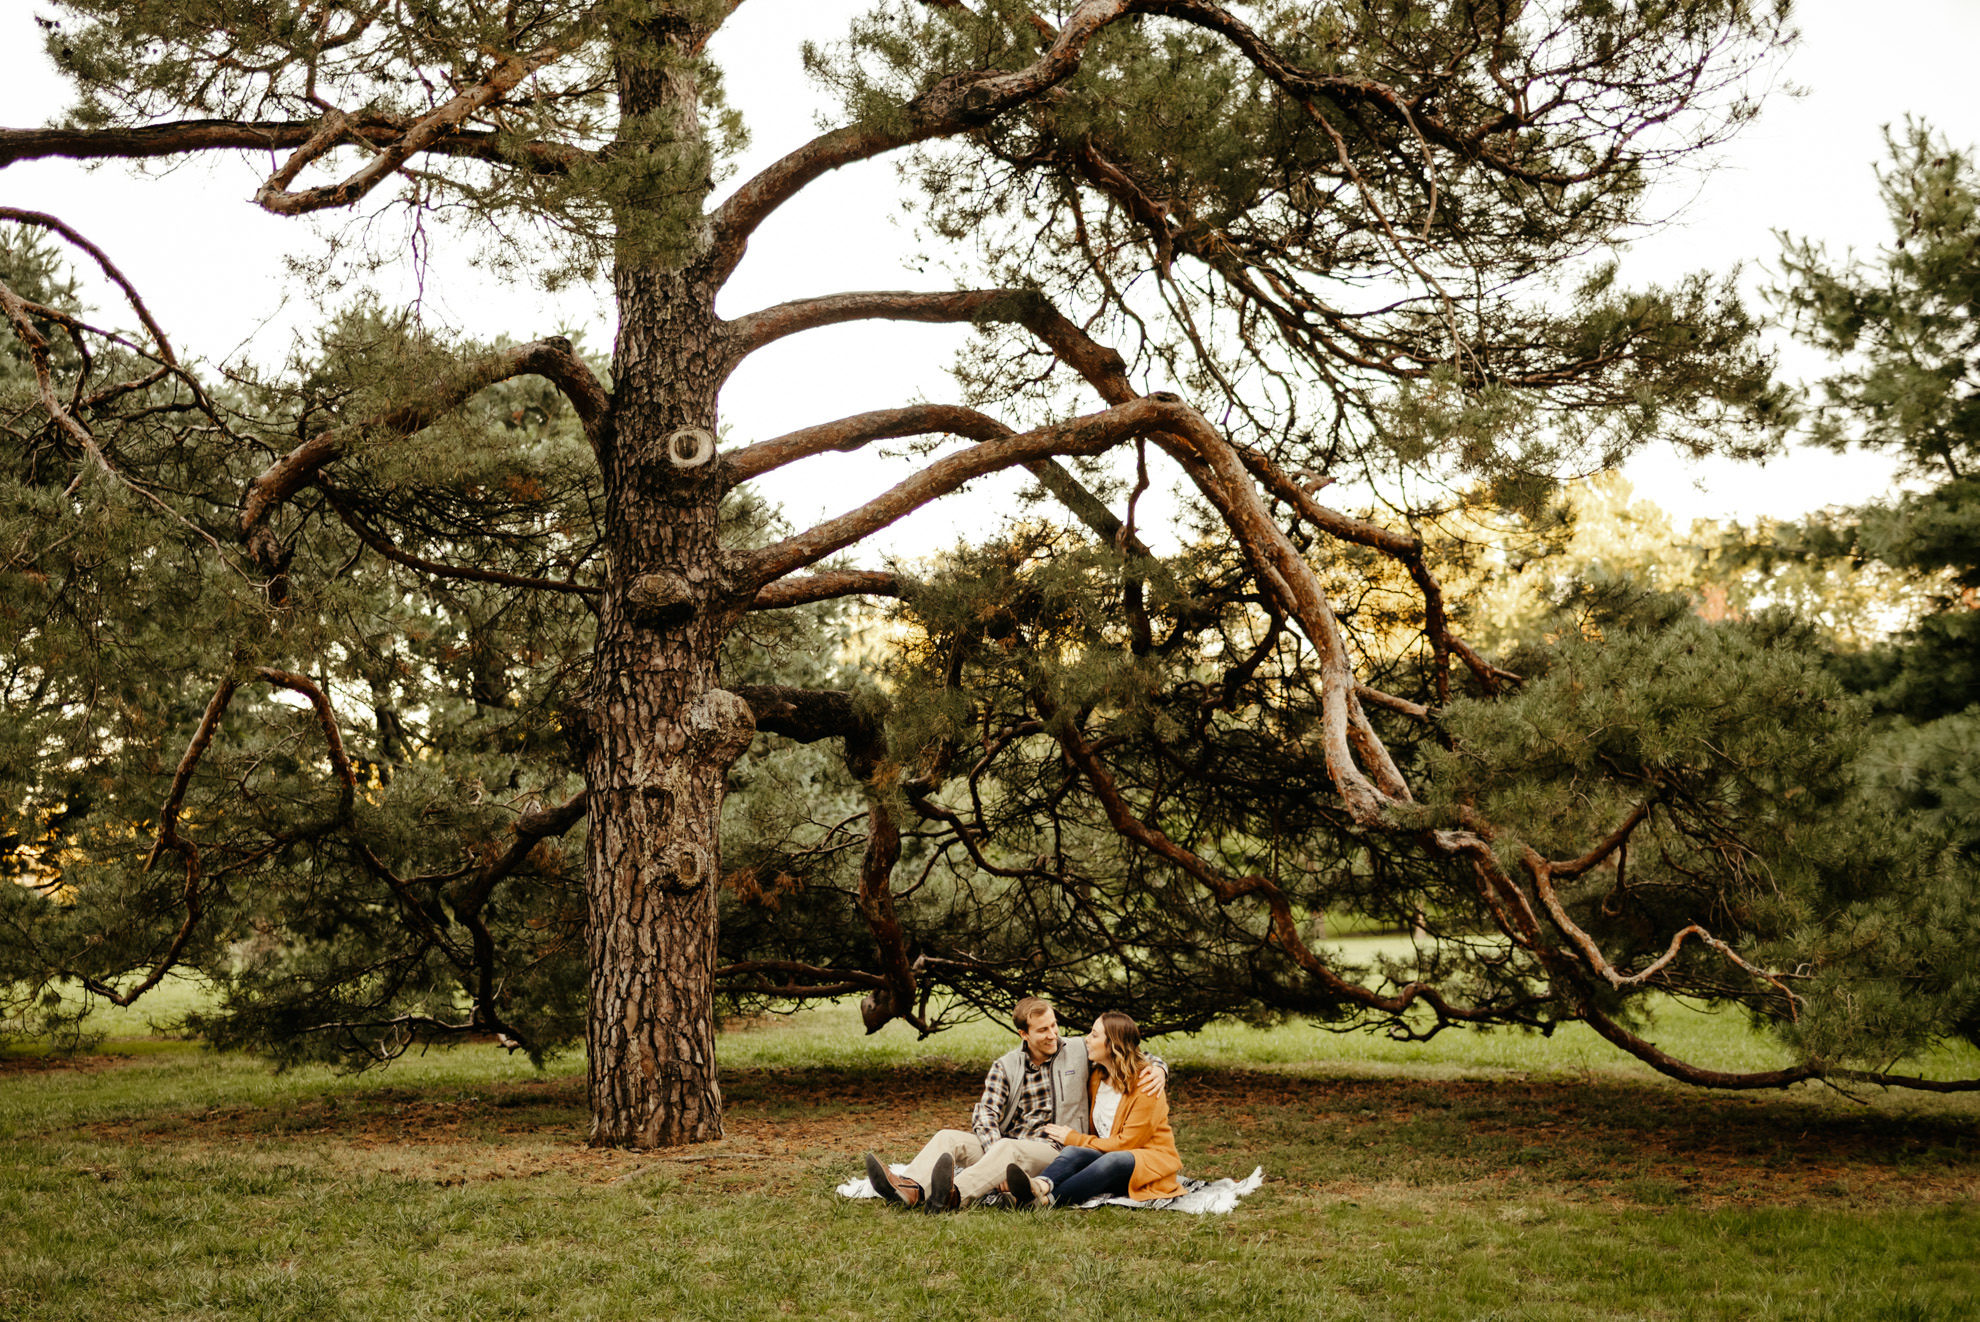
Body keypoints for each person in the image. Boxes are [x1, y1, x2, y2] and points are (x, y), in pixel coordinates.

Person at [861, 996, 1165, 1212]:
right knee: (947, 1137)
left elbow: (1129, 1051)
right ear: (1024, 1034)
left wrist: (1160, 1069)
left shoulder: (1076, 1050)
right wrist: (996, 1156)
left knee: (1008, 1148)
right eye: (1043, 1030)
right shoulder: (1006, 1066)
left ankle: (953, 1197)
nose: (1053, 1035)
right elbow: (985, 1116)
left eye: (1054, 1025)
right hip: (1009, 1145)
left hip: (1057, 1150)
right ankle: (911, 1190)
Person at [1005, 1010, 1181, 1208]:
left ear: (1113, 1044)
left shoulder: (1146, 1085)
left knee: (1111, 1158)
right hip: (1106, 1158)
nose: (1086, 1040)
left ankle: (1044, 1201)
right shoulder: (1097, 1077)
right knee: (1074, 1152)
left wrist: (1074, 1137)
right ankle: (1037, 1186)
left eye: (1094, 1035)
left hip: (1144, 1166)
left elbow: (1127, 1145)